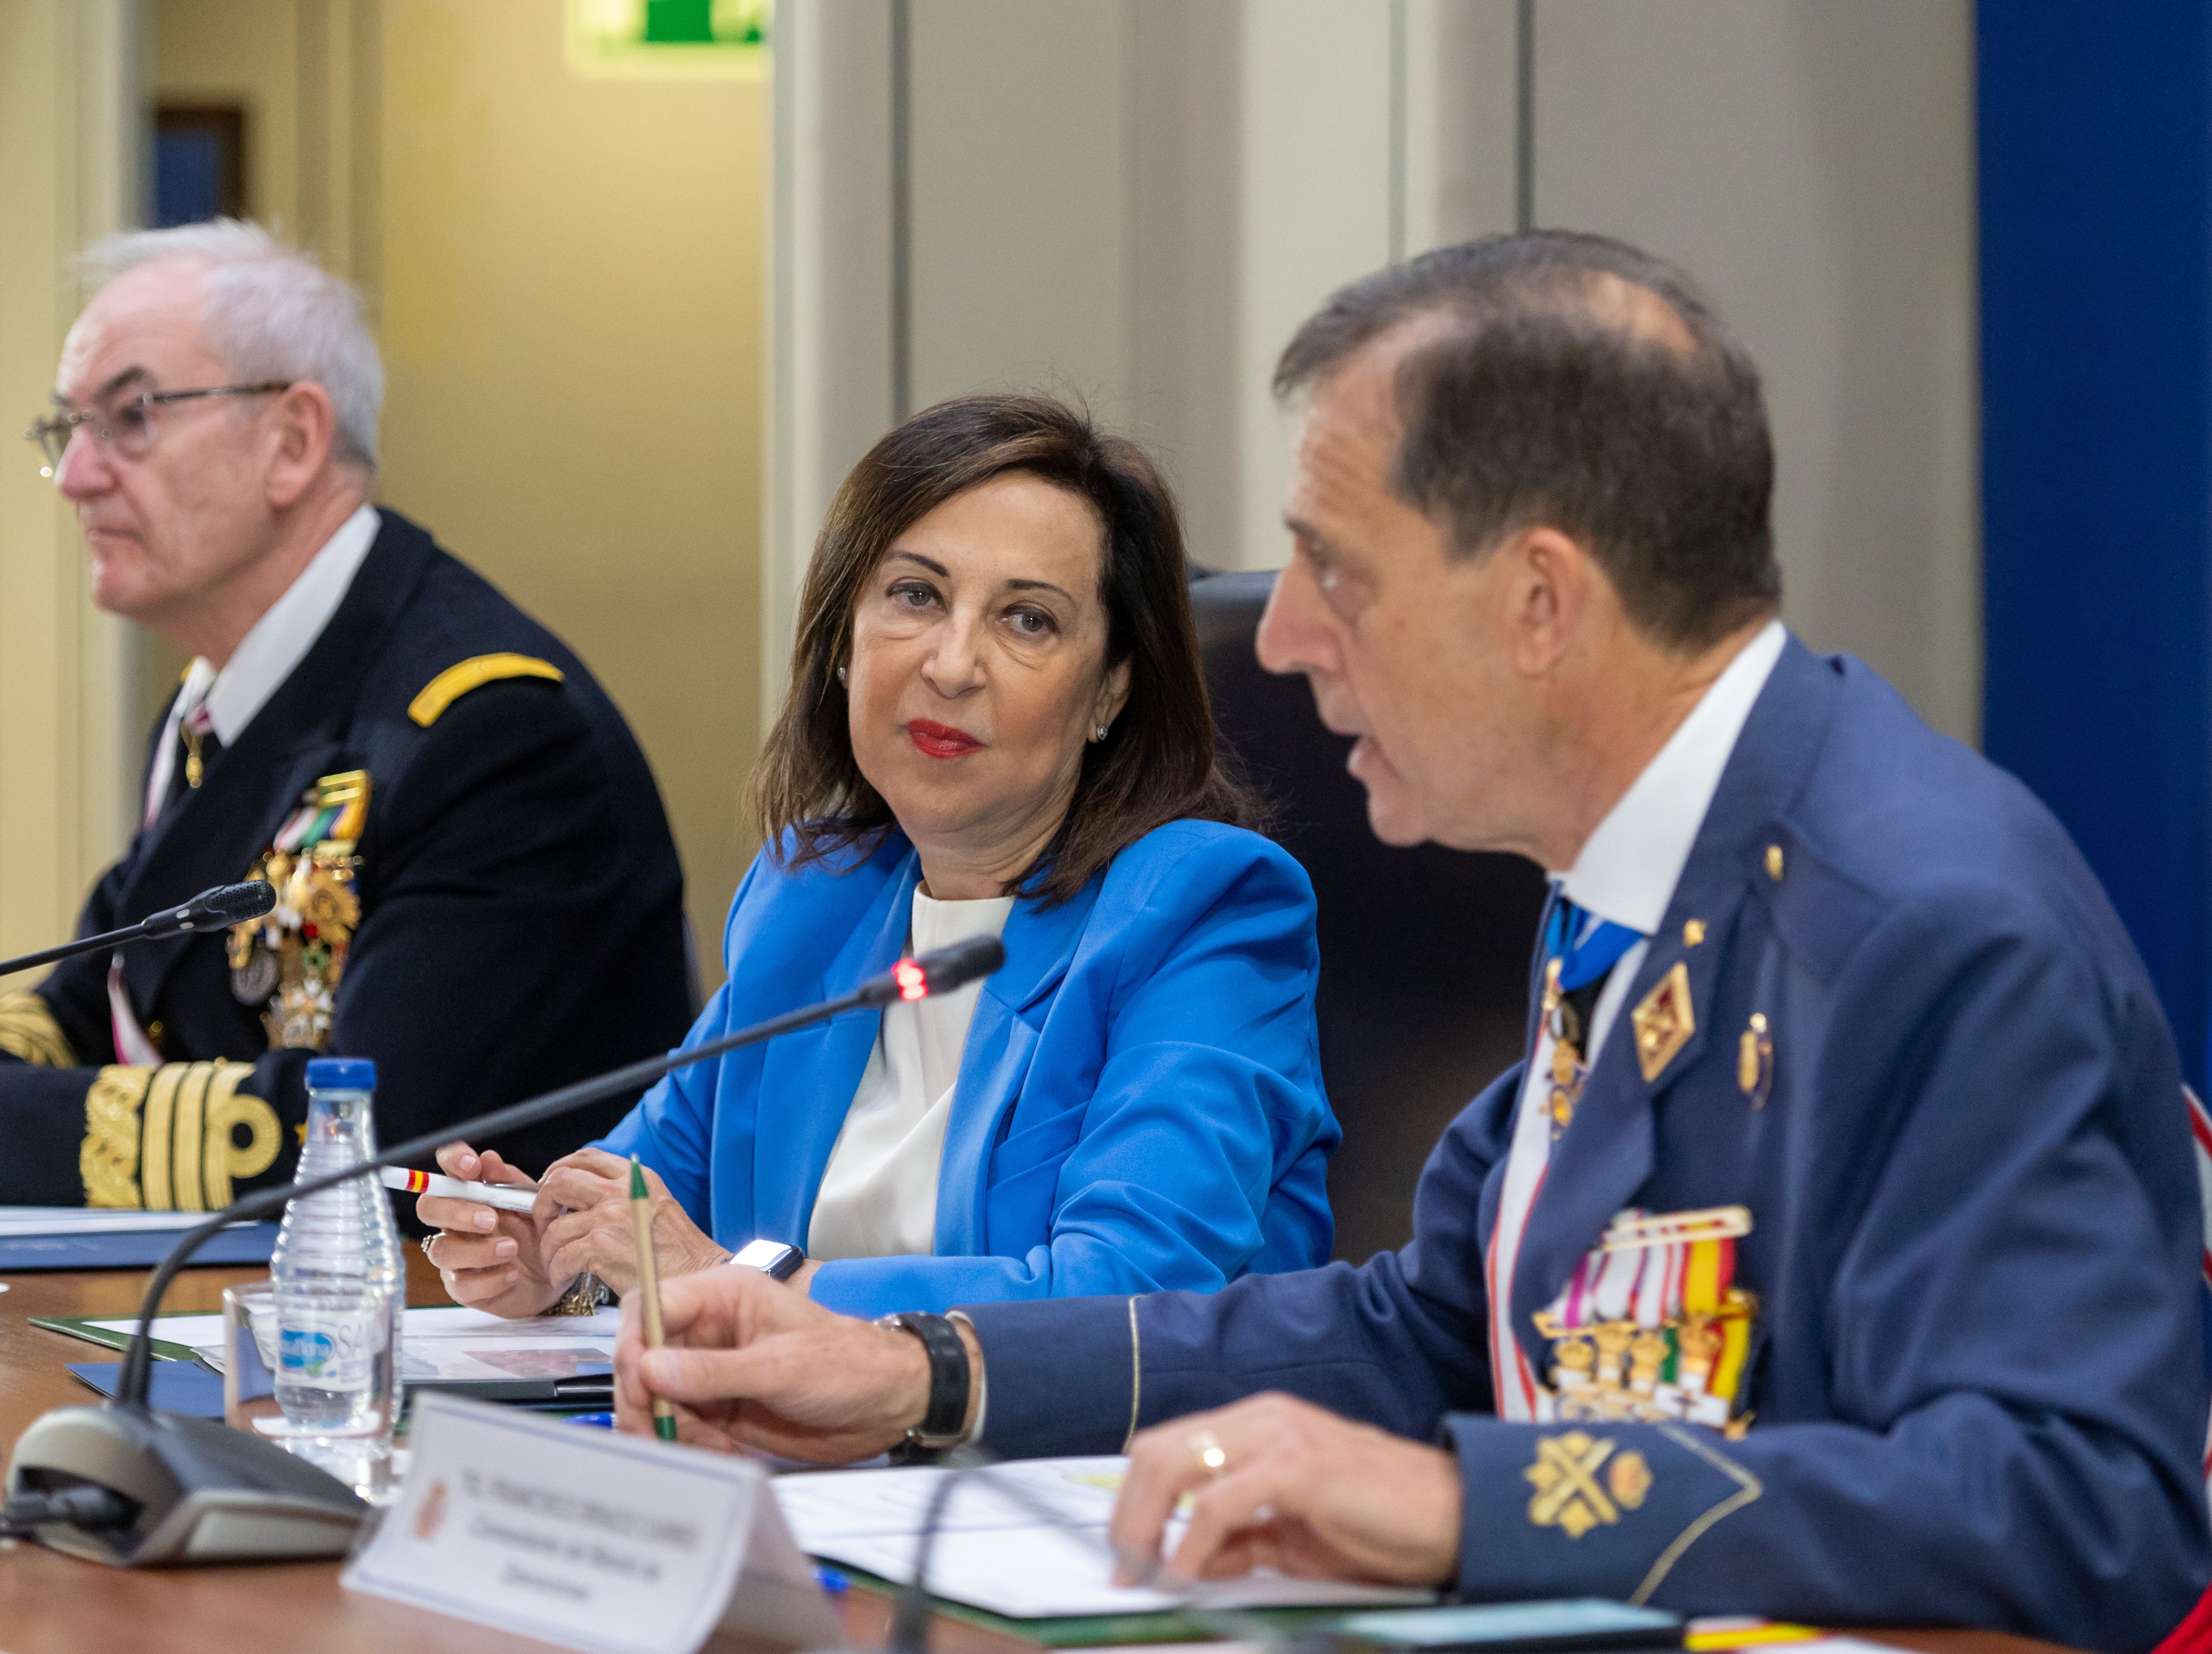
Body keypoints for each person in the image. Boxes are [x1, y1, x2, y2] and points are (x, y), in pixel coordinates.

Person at [604, 233, 2210, 1649]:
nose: (1286, 643)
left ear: (1538, 605)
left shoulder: (1920, 920)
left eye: (1337, 574)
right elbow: (1421, 1323)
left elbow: (2082, 1502)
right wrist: (925, 1370)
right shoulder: (1624, 878)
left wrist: (1465, 1506)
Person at [0, 219, 694, 1207]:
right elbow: (95, 993)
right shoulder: (220, 701)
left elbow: (365, 1134)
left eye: (130, 417)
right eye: (66, 428)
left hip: (459, 1329)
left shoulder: (492, 730)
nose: (76, 475)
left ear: (292, 442)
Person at [418, 394, 1338, 1321]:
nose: (950, 664)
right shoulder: (812, 900)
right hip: (802, 1456)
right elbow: (648, 1201)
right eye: (916, 595)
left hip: (1094, 1460)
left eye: (1026, 620)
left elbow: (1130, 1293)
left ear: (1110, 692)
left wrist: (741, 1287)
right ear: (845, 643)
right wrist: (555, 1253)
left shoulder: (1201, 909)